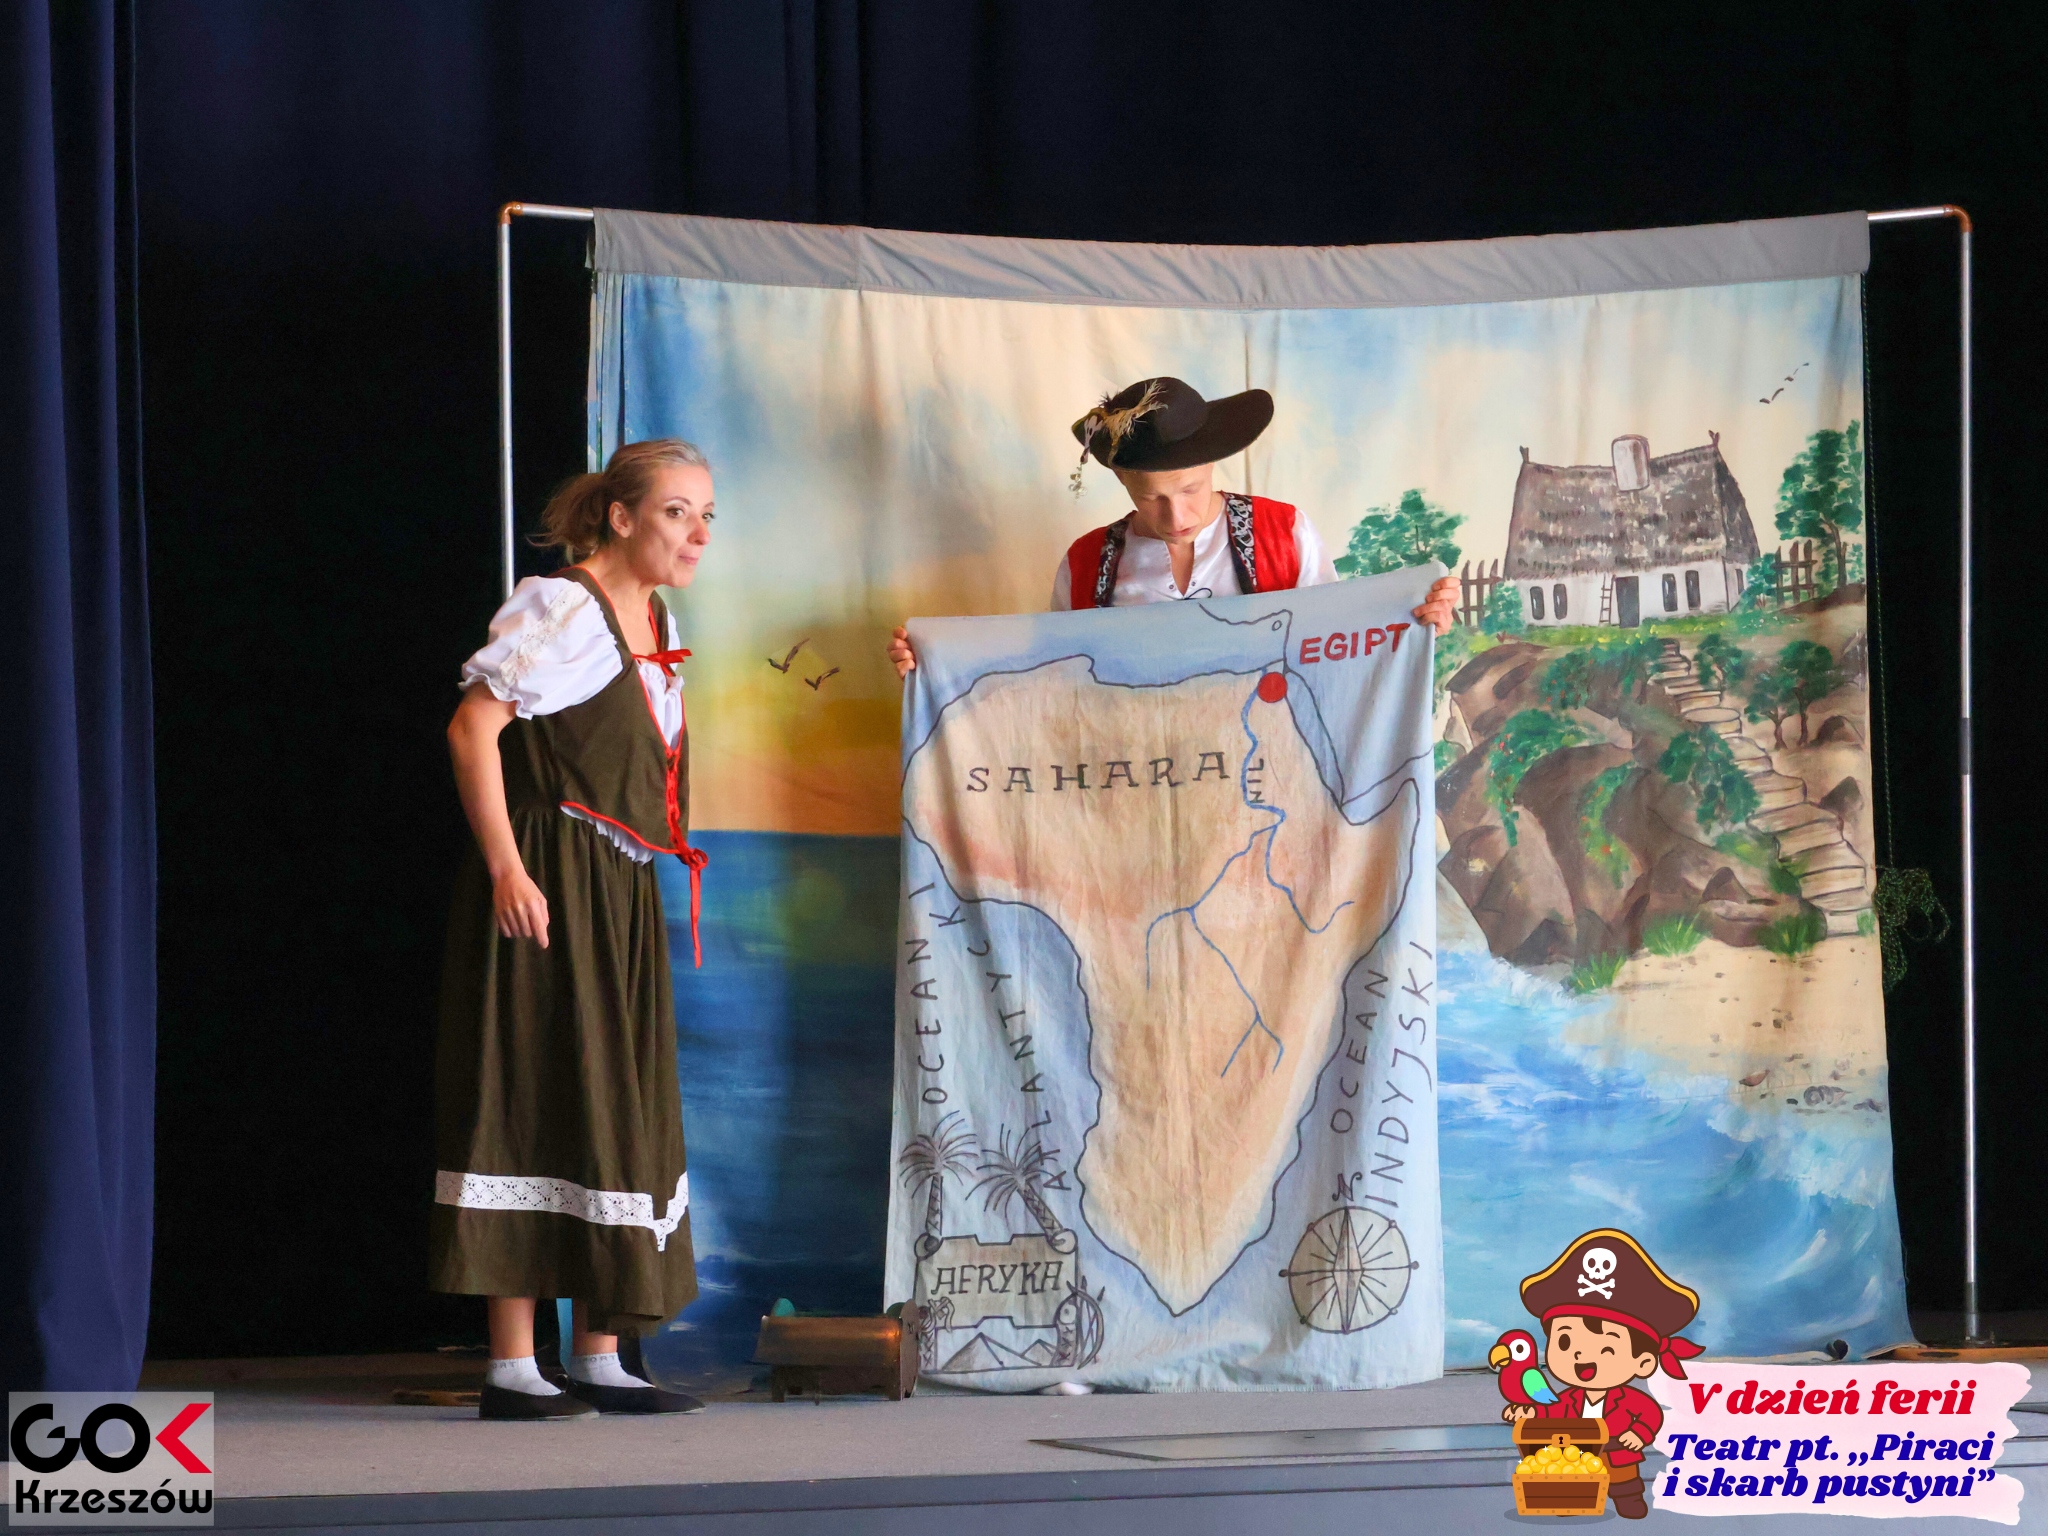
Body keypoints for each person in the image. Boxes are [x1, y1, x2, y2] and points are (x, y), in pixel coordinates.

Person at [433, 439, 715, 1421]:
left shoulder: (658, 618)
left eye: (706, 516)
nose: (697, 533)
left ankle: (599, 1355)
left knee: (612, 1097)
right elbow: (473, 729)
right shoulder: (561, 607)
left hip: (618, 888)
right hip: (550, 876)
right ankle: (514, 1366)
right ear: (621, 517)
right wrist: (508, 868)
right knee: (531, 1085)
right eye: (677, 512)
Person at [889, 375, 1458, 675]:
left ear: (1213, 465)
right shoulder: (1086, 563)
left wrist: (1412, 616)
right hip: (1141, 778)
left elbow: (1340, 647)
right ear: (1122, 484)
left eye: (1190, 490)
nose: (1177, 517)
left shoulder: (1282, 532)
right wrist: (941, 663)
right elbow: (1052, 677)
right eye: (1151, 499)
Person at [1501, 1229, 1705, 1519]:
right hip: (1576, 1458)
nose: (1580, 1356)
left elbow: (1649, 1413)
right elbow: (1551, 1412)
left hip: (1618, 1453)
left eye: (1607, 1349)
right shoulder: (1569, 1398)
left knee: (1624, 1483)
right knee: (1570, 1483)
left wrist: (1639, 1433)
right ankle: (1570, 1503)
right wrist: (1530, 1412)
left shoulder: (1630, 1399)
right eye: (1565, 1342)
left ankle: (1628, 1499)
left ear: (1643, 1362)